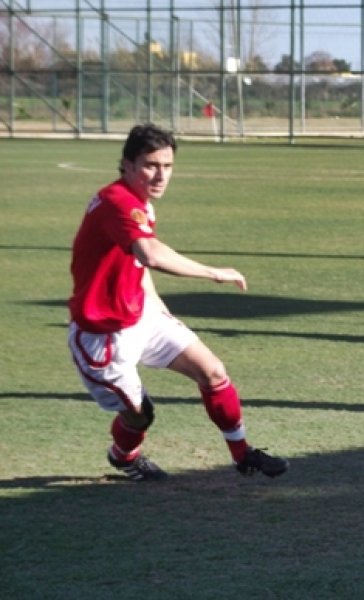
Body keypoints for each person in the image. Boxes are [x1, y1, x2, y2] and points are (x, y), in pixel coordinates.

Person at [67, 123, 289, 482]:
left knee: (213, 371)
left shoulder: (140, 203)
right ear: (126, 164)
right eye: (150, 165)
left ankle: (242, 454)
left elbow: (137, 264)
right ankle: (123, 456)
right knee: (141, 415)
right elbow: (150, 254)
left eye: (167, 166)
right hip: (102, 334)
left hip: (141, 314)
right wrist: (214, 273)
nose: (160, 175)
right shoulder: (117, 202)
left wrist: (157, 306)